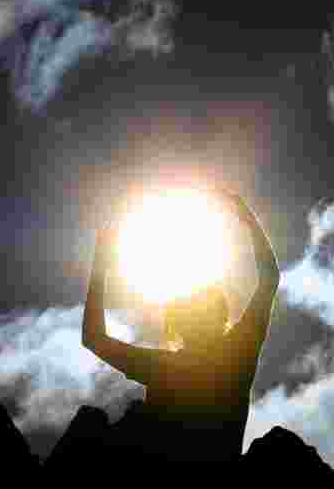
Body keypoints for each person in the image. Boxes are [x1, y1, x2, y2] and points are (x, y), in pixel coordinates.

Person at [81, 187, 280, 466]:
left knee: (101, 425)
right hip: (210, 471)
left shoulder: (172, 365)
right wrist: (246, 218)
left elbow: (93, 339)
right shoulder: (238, 351)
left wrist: (100, 267)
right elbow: (269, 277)